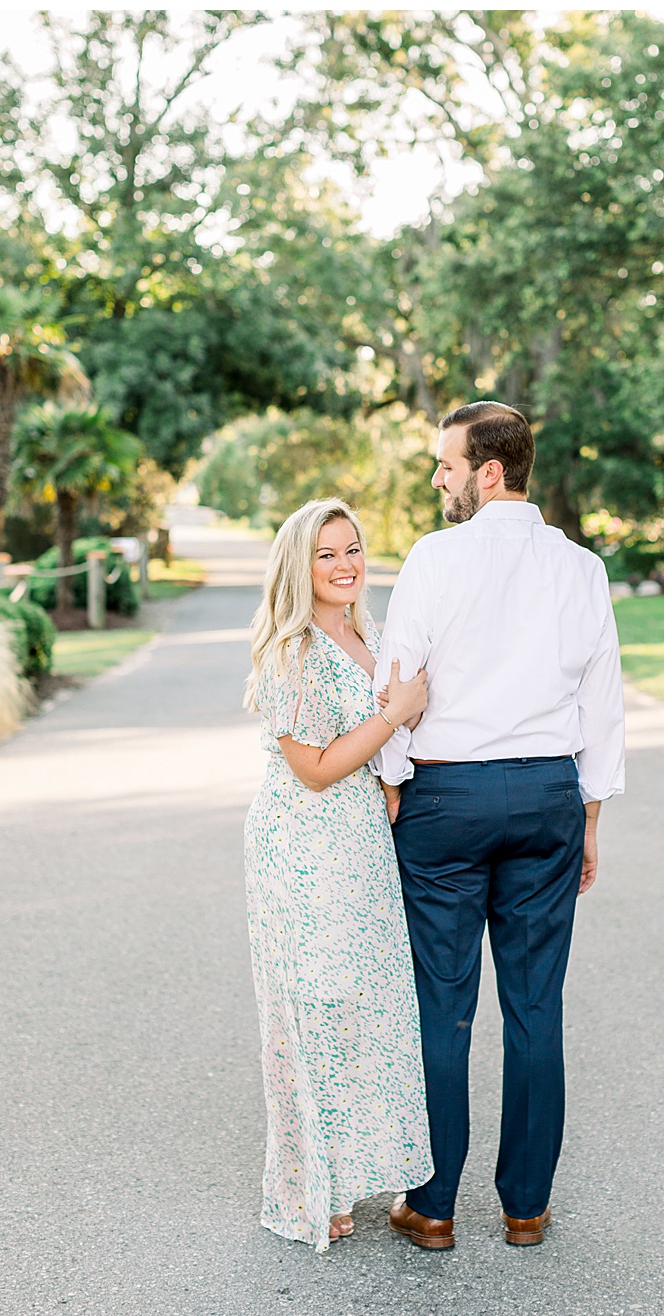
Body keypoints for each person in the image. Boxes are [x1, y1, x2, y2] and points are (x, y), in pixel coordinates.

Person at [373, 401, 625, 1251]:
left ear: (488, 471)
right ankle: (525, 1207)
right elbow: (602, 706)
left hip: (447, 800)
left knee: (442, 1010)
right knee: (535, 1007)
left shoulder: (434, 559)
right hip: (550, 796)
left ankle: (434, 1206)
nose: (437, 479)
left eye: (446, 465)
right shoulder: (582, 569)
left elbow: (396, 681)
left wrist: (395, 782)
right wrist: (588, 817)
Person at [241, 497, 433, 1253]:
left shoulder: (369, 633)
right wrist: (395, 719)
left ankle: (350, 1170)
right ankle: (307, 1185)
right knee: (313, 1006)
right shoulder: (289, 651)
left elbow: (375, 745)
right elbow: (315, 767)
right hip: (302, 847)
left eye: (352, 548)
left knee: (363, 1008)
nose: (346, 564)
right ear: (300, 566)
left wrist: (391, 773)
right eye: (326, 554)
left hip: (361, 847)